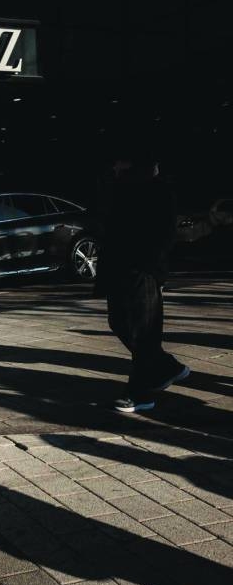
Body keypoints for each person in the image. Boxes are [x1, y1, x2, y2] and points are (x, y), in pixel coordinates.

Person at [95, 148, 190, 412]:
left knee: (143, 331)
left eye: (121, 165)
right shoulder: (120, 188)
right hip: (120, 267)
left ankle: (140, 393)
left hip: (142, 269)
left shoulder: (155, 190)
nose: (115, 168)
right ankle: (168, 367)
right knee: (119, 322)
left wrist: (153, 269)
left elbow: (164, 234)